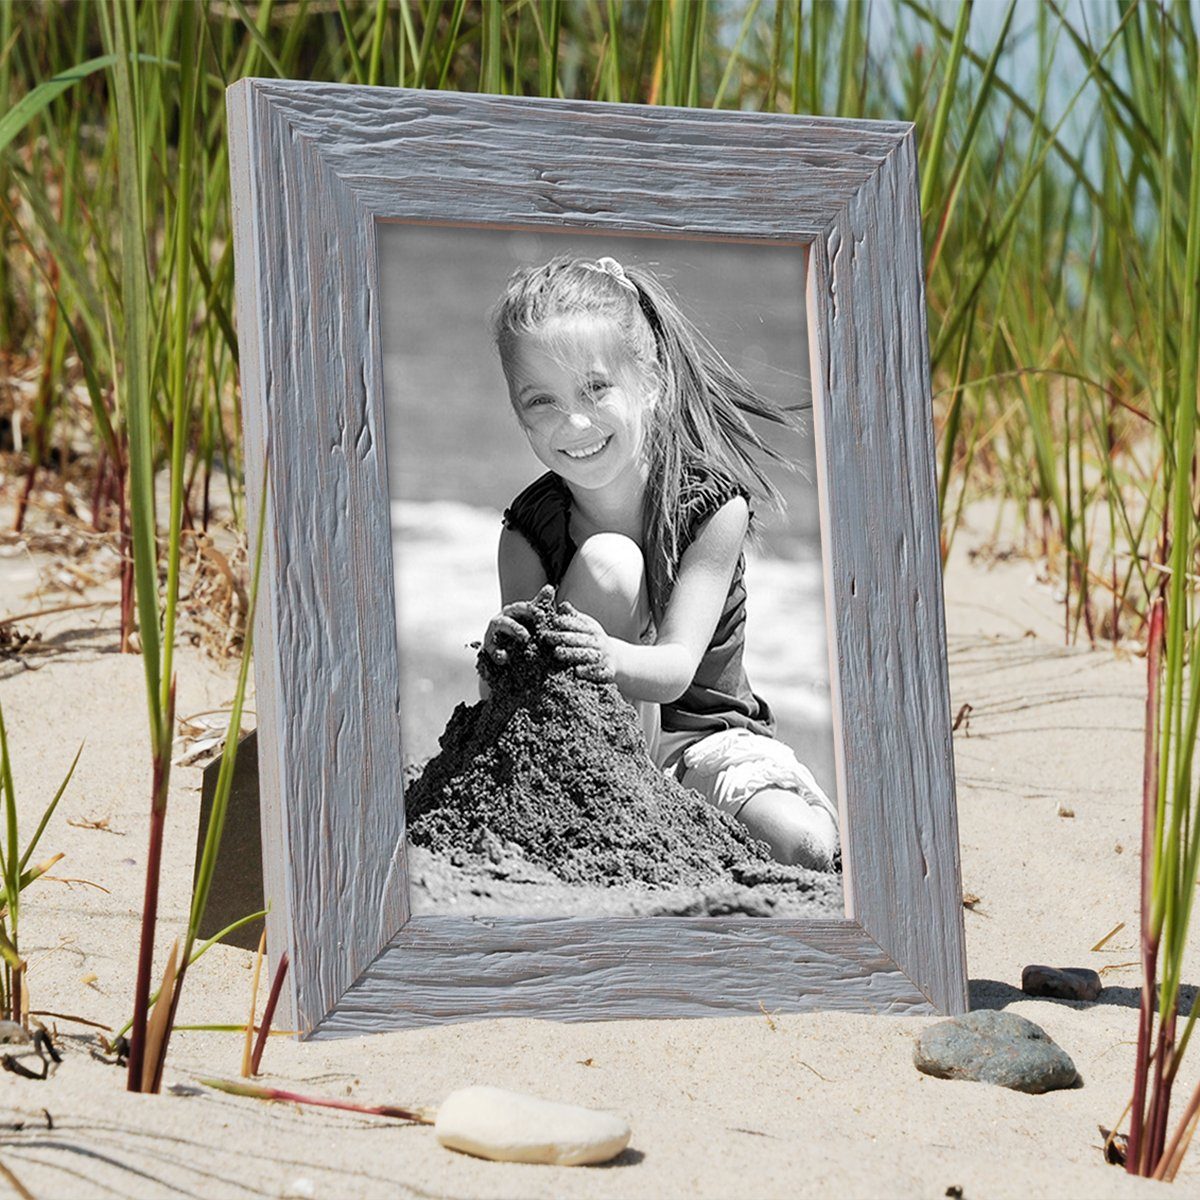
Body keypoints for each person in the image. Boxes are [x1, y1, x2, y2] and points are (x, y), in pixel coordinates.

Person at [478, 254, 839, 873]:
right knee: (609, 564)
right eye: (541, 401)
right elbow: (515, 693)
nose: (575, 421)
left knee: (801, 845)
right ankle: (609, 808)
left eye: (596, 387)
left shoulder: (708, 508)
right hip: (593, 752)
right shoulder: (527, 530)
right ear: (517, 410)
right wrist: (500, 651)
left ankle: (690, 819)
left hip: (703, 737)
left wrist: (604, 653)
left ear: (652, 382)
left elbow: (674, 670)